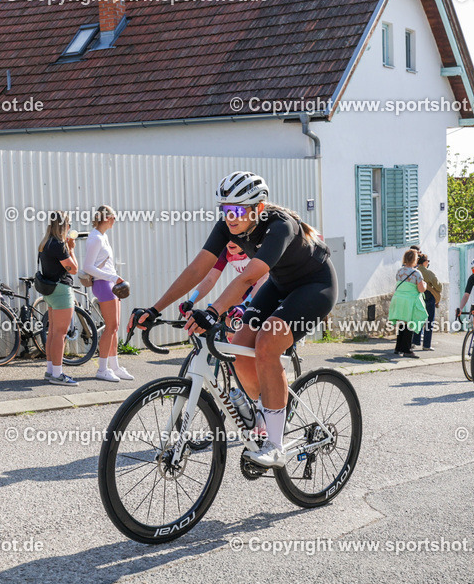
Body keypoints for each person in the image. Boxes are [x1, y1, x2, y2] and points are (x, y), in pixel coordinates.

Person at [130, 171, 336, 469]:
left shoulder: (280, 226)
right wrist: (155, 308)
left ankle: (275, 445)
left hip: (315, 286)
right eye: (226, 210)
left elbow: (249, 278)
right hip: (280, 285)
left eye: (238, 210)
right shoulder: (228, 226)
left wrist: (212, 311)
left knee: (267, 342)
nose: (231, 217)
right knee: (239, 349)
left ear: (258, 209)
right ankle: (271, 409)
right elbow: (197, 269)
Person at [80, 205, 132, 382]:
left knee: (114, 327)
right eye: (114, 217)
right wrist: (112, 276)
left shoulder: (103, 236)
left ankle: (115, 367)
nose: (115, 221)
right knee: (111, 327)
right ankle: (102, 369)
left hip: (111, 283)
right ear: (107, 218)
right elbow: (88, 267)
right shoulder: (95, 238)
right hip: (103, 284)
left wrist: (115, 278)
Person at [39, 212, 81, 386]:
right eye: (69, 224)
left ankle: (51, 370)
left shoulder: (46, 243)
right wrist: (71, 249)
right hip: (61, 291)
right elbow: (74, 269)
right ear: (64, 226)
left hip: (50, 292)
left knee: (54, 332)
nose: (70, 227)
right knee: (60, 334)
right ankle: (57, 373)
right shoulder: (58, 245)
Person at [183, 241, 269, 317]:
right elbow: (210, 279)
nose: (230, 242)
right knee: (230, 318)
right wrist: (191, 301)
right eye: (228, 238)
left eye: (234, 239)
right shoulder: (226, 251)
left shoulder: (256, 247)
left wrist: (245, 305)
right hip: (250, 286)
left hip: (268, 286)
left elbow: (265, 277)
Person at [388, 249, 427, 359]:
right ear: (415, 259)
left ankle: (398, 347)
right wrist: (425, 285)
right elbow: (421, 289)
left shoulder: (400, 271)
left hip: (399, 299)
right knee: (410, 323)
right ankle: (407, 349)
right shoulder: (416, 273)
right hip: (410, 300)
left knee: (402, 323)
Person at [411, 249, 441, 351]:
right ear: (425, 262)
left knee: (417, 319)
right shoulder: (428, 272)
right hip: (429, 298)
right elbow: (439, 287)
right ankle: (426, 345)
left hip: (417, 297)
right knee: (429, 321)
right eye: (428, 261)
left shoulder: (414, 272)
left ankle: (414, 342)